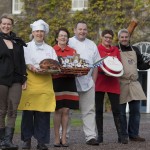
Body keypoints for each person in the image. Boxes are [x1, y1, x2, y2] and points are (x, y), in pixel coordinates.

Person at [18, 19, 57, 150]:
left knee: (43, 114)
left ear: (44, 33)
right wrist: (33, 68)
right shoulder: (26, 47)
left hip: (45, 85)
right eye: (37, 31)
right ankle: (26, 140)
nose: (39, 34)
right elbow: (25, 62)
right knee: (28, 114)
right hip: (30, 84)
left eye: (41, 31)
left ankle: (42, 142)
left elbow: (56, 66)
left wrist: (48, 69)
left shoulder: (50, 49)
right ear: (33, 33)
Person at [68, 21, 100, 146]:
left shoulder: (92, 44)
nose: (82, 31)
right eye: (80, 29)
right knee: (67, 111)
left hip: (88, 83)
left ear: (87, 31)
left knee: (89, 111)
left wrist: (94, 81)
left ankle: (91, 137)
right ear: (75, 30)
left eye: (84, 29)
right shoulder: (69, 41)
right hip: (71, 82)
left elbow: (97, 64)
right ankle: (63, 136)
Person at [117, 29, 150, 142]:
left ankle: (134, 135)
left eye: (126, 37)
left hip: (134, 83)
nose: (124, 39)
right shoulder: (116, 50)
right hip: (121, 83)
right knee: (121, 113)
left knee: (135, 111)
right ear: (119, 38)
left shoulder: (135, 49)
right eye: (122, 37)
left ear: (129, 38)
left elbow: (141, 66)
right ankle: (123, 135)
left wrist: (149, 63)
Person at [95, 29, 127, 144]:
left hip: (113, 82)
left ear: (112, 39)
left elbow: (119, 65)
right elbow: (95, 64)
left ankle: (121, 136)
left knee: (117, 110)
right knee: (98, 110)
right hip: (100, 81)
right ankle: (100, 136)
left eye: (110, 37)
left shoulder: (116, 50)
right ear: (102, 37)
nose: (108, 39)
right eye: (106, 37)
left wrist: (114, 71)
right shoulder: (97, 49)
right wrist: (103, 71)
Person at [0, 14, 27, 150]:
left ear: (12, 26)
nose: (6, 26)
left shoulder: (17, 42)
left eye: (8, 24)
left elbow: (22, 62)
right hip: (1, 80)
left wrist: (24, 78)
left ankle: (8, 141)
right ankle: (1, 140)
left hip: (16, 80)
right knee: (1, 110)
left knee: (12, 110)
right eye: (4, 24)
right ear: (0, 25)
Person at [53, 27, 79, 147]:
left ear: (67, 38)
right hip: (56, 81)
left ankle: (64, 138)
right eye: (61, 35)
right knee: (58, 110)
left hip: (69, 81)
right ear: (57, 38)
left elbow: (77, 67)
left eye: (65, 36)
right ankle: (56, 138)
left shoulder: (73, 51)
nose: (63, 37)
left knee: (67, 110)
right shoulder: (51, 50)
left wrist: (77, 70)